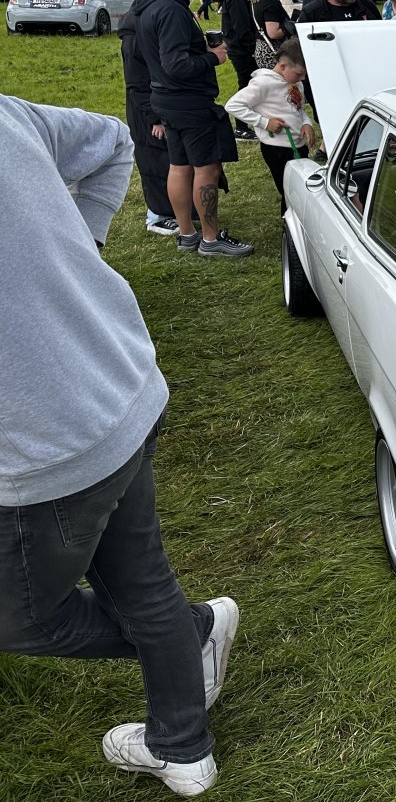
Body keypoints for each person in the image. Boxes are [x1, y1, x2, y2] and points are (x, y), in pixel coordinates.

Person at [0, 95, 239, 797]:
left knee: (19, 618)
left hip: (46, 444)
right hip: (118, 385)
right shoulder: (9, 112)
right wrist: (81, 249)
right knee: (140, 580)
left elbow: (111, 141)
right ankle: (181, 742)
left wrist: (78, 249)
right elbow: (110, 138)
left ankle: (189, 641)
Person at [133, 0, 254, 259]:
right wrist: (212, 57)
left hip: (166, 100)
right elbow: (177, 64)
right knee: (206, 168)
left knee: (180, 166)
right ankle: (210, 239)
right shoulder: (171, 10)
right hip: (188, 101)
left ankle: (187, 234)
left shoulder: (149, 5)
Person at [118, 0, 182, 235]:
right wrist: (154, 117)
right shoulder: (135, 31)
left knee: (168, 158)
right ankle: (157, 215)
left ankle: (175, 209)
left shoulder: (147, 22)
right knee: (155, 160)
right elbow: (137, 80)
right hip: (147, 108)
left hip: (159, 102)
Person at [224, 38, 315, 213]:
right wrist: (264, 123)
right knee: (289, 191)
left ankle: (296, 217)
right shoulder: (263, 83)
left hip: (298, 145)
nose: (303, 78)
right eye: (299, 74)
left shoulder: (296, 83)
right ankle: (288, 223)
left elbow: (298, 109)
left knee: (300, 189)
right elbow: (233, 105)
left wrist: (306, 123)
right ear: (283, 66)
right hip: (277, 149)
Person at [213, 0, 258, 140]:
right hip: (242, 48)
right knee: (247, 85)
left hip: (240, 45)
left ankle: (245, 122)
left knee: (249, 83)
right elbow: (241, 25)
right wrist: (251, 47)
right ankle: (241, 125)